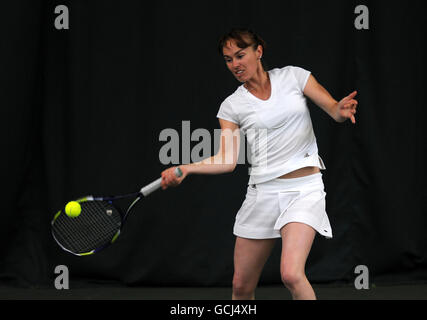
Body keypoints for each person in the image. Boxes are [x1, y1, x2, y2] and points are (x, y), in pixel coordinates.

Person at [160, 28, 358, 300]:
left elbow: (334, 110)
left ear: (259, 52)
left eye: (240, 55)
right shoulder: (231, 106)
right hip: (262, 194)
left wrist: (341, 110)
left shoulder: (294, 76)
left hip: (305, 190)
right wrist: (187, 168)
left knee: (291, 273)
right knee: (241, 287)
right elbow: (227, 161)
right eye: (229, 59)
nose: (235, 64)